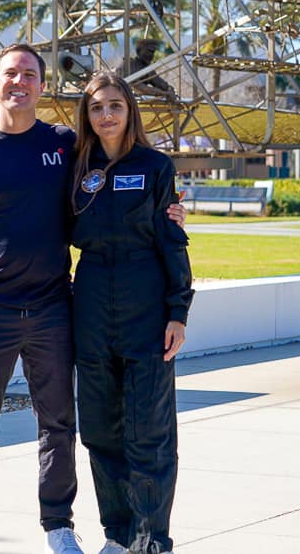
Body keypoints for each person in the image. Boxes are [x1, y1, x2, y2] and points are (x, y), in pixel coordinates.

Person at [0, 45, 185, 554]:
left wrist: (171, 212)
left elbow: (122, 181)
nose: (18, 82)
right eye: (10, 74)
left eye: (28, 74)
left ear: (42, 86)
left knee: (60, 426)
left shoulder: (66, 146)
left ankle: (60, 527)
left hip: (53, 309)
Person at [69, 72, 193, 554]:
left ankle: (151, 538)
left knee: (149, 432)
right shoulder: (76, 168)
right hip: (93, 301)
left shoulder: (156, 166)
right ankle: (118, 536)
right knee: (100, 430)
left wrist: (178, 311)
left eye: (115, 105)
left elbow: (171, 240)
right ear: (88, 114)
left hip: (146, 303)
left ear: (130, 110)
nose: (106, 115)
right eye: (97, 107)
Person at [121, 39, 176, 104]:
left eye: (153, 52)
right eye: (149, 51)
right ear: (139, 51)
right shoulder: (130, 64)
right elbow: (141, 88)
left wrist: (170, 89)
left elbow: (161, 83)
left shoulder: (148, 69)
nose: (151, 55)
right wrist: (165, 93)